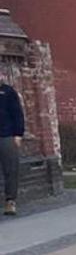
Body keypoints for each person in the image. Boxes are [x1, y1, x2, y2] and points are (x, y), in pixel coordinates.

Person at [0, 77, 24, 216]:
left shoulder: (8, 92)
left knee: (11, 169)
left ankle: (10, 201)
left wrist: (18, 134)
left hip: (6, 135)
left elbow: (17, 113)